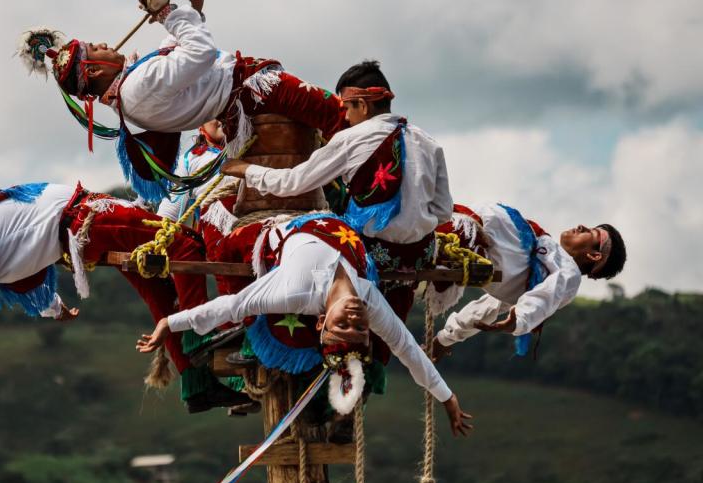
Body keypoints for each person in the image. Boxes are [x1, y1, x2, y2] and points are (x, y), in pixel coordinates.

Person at [0, 181, 249, 412]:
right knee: (185, 246)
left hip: (85, 233)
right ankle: (214, 347)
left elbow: (29, 275)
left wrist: (55, 308)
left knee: (160, 291)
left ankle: (196, 384)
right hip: (90, 221)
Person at [136, 213, 474, 437]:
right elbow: (408, 350)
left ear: (322, 322)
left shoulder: (293, 292)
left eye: (342, 328)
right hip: (342, 224)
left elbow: (234, 305)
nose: (355, 322)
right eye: (360, 331)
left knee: (224, 243)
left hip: (290, 226)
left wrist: (170, 322)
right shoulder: (369, 298)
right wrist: (447, 398)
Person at [18, 0, 347, 200]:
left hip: (240, 107)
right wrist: (166, 12)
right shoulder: (137, 87)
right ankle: (372, 188)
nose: (104, 43)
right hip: (256, 92)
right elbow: (199, 53)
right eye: (96, 47)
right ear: (93, 69)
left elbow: (178, 51)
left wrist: (192, 5)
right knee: (338, 117)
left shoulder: (132, 88)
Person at [223, 60, 452, 320]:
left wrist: (245, 170)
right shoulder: (428, 142)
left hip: (371, 255)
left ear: (363, 106)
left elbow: (292, 183)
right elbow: (443, 212)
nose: (344, 116)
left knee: (302, 233)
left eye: (346, 108)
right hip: (420, 254)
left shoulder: (350, 139)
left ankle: (279, 330)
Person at [430, 203, 627, 361]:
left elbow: (546, 296)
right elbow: (487, 308)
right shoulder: (541, 264)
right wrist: (445, 338)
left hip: (467, 232)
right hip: (466, 228)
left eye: (590, 233)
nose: (582, 226)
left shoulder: (569, 274)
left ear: (593, 255)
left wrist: (521, 318)